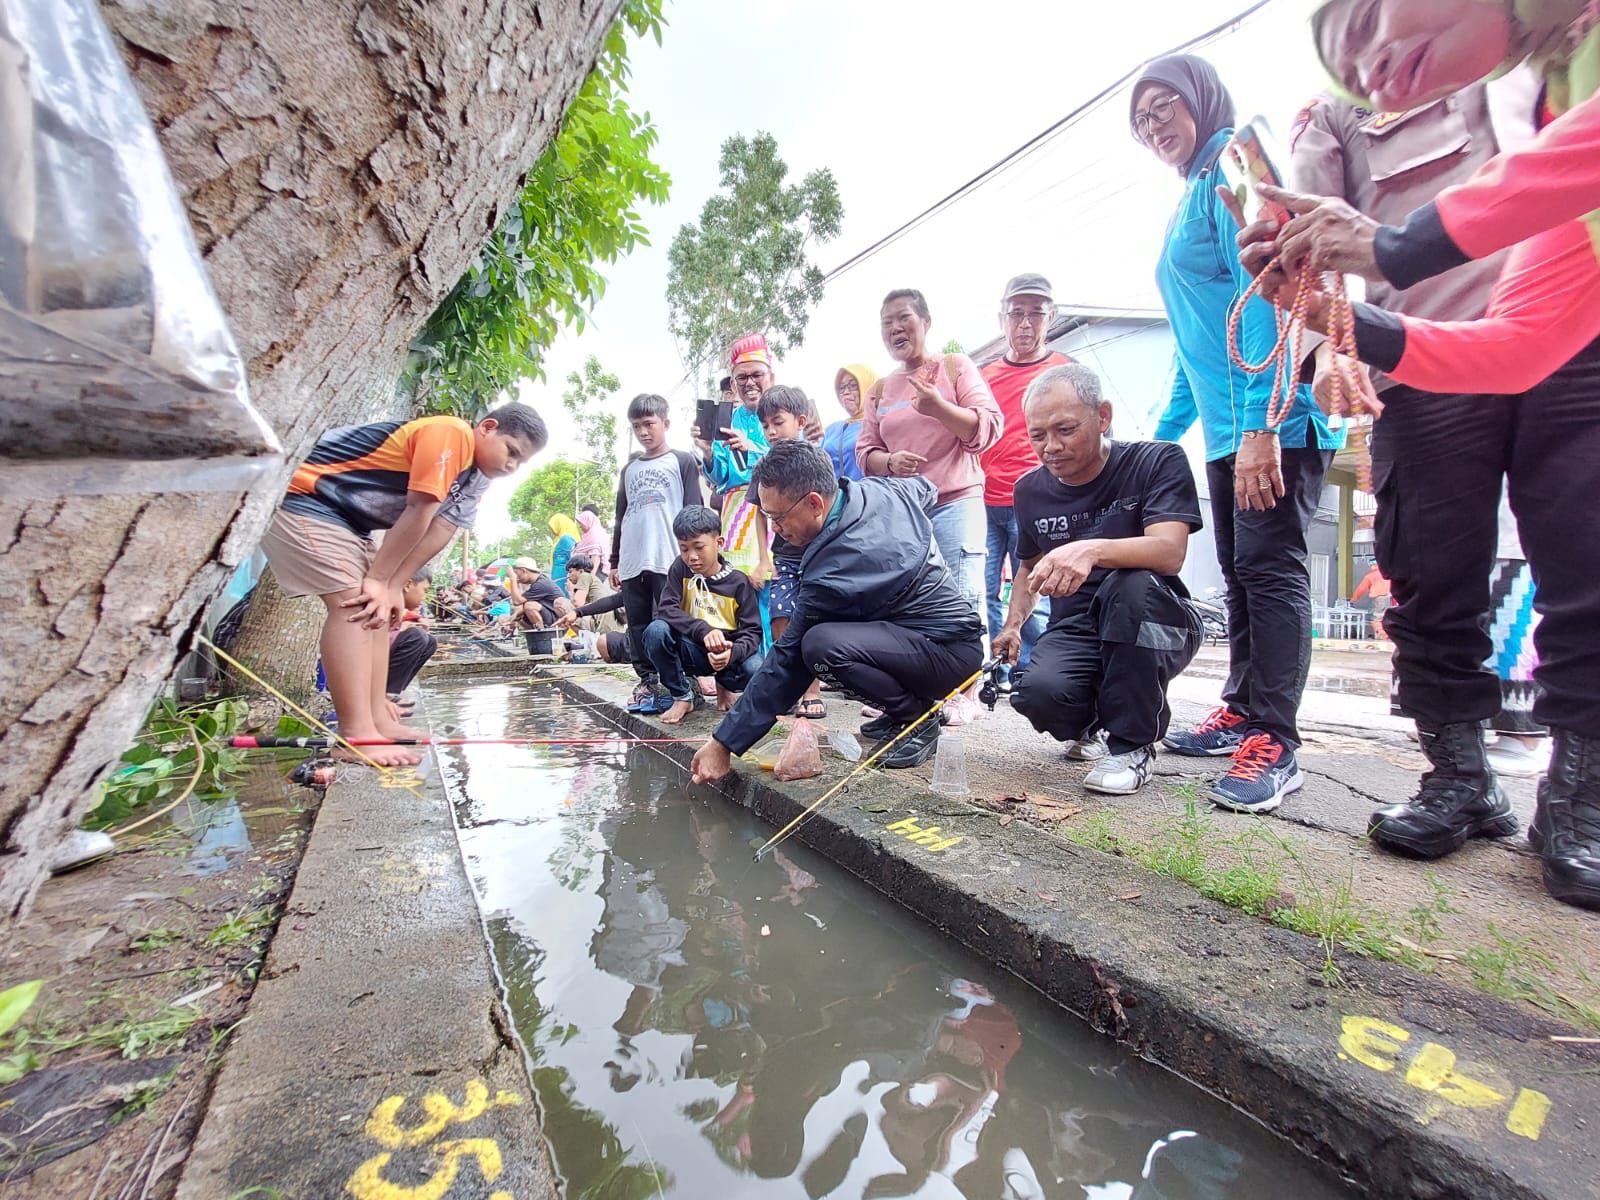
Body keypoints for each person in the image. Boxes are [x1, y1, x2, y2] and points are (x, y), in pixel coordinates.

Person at [1233, 0, 1600, 907]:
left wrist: (1394, 244)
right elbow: (1516, 340)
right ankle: (1460, 776)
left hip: (1567, 347)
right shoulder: (1543, 86)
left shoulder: (1556, 94)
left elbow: (1566, 175)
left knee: (1588, 564)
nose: (1367, 61)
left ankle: (1581, 795)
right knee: (1429, 577)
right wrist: (1333, 327)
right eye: (1342, 59)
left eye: (1367, 18)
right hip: (1444, 349)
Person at [1130, 55, 1344, 816]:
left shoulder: (1231, 161)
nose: (1156, 127)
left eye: (1165, 108)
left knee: (1271, 565)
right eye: (1143, 118)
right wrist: (1156, 443)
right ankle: (1242, 710)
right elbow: (1200, 344)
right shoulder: (1190, 192)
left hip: (1277, 414)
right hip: (1230, 429)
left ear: (1200, 100)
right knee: (1242, 570)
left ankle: (1275, 741)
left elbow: (1265, 299)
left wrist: (1260, 425)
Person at [259, 403, 545, 766]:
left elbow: (442, 529)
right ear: (487, 427)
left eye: (520, 463)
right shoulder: (451, 433)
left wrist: (393, 586)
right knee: (356, 606)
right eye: (512, 452)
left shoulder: (478, 478)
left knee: (379, 612)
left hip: (348, 519)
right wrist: (378, 579)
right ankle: (355, 735)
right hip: (303, 495)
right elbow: (419, 510)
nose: (511, 466)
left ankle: (377, 718)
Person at [691, 441, 986, 783]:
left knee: (819, 647)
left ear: (815, 503)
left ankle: (917, 719)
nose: (775, 530)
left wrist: (723, 742)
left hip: (946, 654)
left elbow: (787, 661)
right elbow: (926, 488)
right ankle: (900, 707)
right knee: (833, 637)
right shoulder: (880, 489)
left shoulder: (834, 571)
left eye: (778, 518)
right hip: (933, 643)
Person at [995, 365, 1204, 796]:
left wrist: (1090, 549)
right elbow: (1029, 568)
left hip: (1155, 616)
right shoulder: (1030, 490)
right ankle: (1091, 724)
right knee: (1038, 694)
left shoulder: (1156, 461)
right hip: (1076, 626)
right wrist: (1013, 625)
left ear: (1103, 416)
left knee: (1130, 586)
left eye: (1066, 429)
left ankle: (1133, 744)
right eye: (1038, 436)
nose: (1051, 447)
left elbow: (1169, 552)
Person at [856, 288, 1001, 722]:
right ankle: (914, 690)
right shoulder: (881, 388)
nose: (896, 328)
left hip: (956, 500)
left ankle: (965, 692)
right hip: (905, 511)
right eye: (887, 322)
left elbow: (988, 428)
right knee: (905, 601)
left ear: (926, 322)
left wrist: (939, 407)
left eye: (904, 318)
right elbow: (866, 452)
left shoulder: (955, 367)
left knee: (962, 593)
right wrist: (890, 461)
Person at [979, 273, 1072, 689]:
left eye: (1036, 313)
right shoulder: (984, 375)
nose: (1025, 323)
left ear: (1050, 317)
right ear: (1003, 318)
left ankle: (1031, 672)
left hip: (1038, 500)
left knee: (1036, 586)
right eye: (1017, 313)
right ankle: (994, 671)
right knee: (985, 592)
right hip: (984, 498)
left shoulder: (1065, 371)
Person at [611, 393, 705, 711]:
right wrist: (613, 561)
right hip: (633, 560)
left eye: (649, 424)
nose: (644, 432)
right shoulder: (630, 470)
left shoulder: (682, 461)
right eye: (637, 426)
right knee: (637, 625)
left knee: (672, 620)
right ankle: (647, 681)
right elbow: (620, 516)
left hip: (669, 556)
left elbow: (695, 509)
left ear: (665, 423)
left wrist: (697, 555)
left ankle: (683, 679)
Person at [640, 505, 764, 724]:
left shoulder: (738, 582)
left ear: (718, 543)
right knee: (656, 630)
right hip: (693, 650)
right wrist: (702, 630)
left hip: (727, 657)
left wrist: (732, 652)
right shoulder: (680, 569)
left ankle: (724, 686)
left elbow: (752, 633)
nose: (692, 557)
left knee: (756, 668)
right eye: (684, 548)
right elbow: (666, 609)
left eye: (699, 547)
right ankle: (682, 696)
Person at [753, 385, 829, 721]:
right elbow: (758, 512)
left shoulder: (817, 458)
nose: (771, 431)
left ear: (800, 421)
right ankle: (793, 687)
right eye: (765, 425)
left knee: (811, 618)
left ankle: (812, 688)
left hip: (815, 555)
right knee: (781, 615)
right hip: (783, 556)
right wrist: (762, 557)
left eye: (778, 422)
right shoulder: (764, 467)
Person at [696, 335, 775, 577]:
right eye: (742, 377)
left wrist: (751, 449)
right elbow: (721, 476)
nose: (749, 382)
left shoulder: (785, 412)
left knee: (771, 585)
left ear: (771, 378)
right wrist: (707, 451)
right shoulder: (728, 418)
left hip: (774, 508)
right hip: (734, 512)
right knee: (735, 584)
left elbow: (795, 461)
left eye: (756, 375)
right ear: (733, 384)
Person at [386, 569, 438, 695]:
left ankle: (393, 690)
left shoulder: (397, 607)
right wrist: (402, 629)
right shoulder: (385, 602)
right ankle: (387, 693)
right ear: (408, 585)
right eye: (424, 590)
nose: (424, 597)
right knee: (416, 636)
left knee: (430, 641)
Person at [824, 364, 876, 483]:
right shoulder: (832, 429)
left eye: (852, 386)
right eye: (841, 388)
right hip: (837, 499)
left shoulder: (879, 424)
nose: (846, 392)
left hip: (869, 497)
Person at [565, 553, 623, 635]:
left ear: (581, 571)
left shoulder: (584, 576)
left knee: (560, 603)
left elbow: (578, 603)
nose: (568, 576)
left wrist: (571, 591)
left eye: (570, 572)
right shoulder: (593, 579)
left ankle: (584, 640)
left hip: (604, 625)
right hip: (608, 624)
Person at [507, 557, 565, 629]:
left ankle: (542, 634)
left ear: (523, 570)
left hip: (558, 620)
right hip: (550, 615)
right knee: (519, 614)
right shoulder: (538, 582)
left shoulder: (541, 583)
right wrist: (514, 616)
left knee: (529, 606)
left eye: (516, 573)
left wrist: (512, 579)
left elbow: (516, 601)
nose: (517, 577)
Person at [548, 514, 580, 595]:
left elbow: (573, 559)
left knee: (563, 601)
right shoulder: (559, 539)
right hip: (558, 576)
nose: (551, 530)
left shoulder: (566, 539)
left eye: (553, 526)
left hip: (563, 576)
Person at [575, 504, 611, 574]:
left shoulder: (595, 536)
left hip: (594, 573)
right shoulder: (589, 535)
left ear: (588, 521)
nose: (580, 526)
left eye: (581, 523)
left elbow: (595, 558)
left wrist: (591, 578)